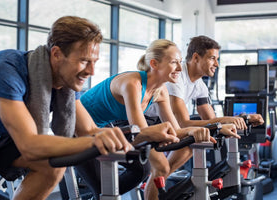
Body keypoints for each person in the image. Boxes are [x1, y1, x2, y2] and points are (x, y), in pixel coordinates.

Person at [0, 16, 180, 200]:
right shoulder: (6, 70)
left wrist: (141, 135)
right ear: (56, 54)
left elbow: (90, 131)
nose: (92, 71)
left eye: (94, 61)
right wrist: (95, 141)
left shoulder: (65, 84)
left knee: (52, 167)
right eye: (84, 61)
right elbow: (29, 145)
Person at [79, 39, 240, 200]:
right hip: (79, 129)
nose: (179, 68)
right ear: (154, 64)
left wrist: (213, 128)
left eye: (179, 62)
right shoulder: (132, 83)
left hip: (105, 129)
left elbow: (176, 129)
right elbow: (142, 132)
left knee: (149, 169)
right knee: (103, 189)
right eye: (173, 62)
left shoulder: (160, 91)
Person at [146, 35, 264, 130]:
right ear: (196, 58)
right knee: (194, 136)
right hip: (148, 122)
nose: (217, 64)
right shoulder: (176, 77)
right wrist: (227, 120)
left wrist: (242, 119)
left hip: (163, 122)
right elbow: (182, 123)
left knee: (200, 138)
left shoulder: (200, 85)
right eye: (212, 58)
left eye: (217, 59)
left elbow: (211, 120)